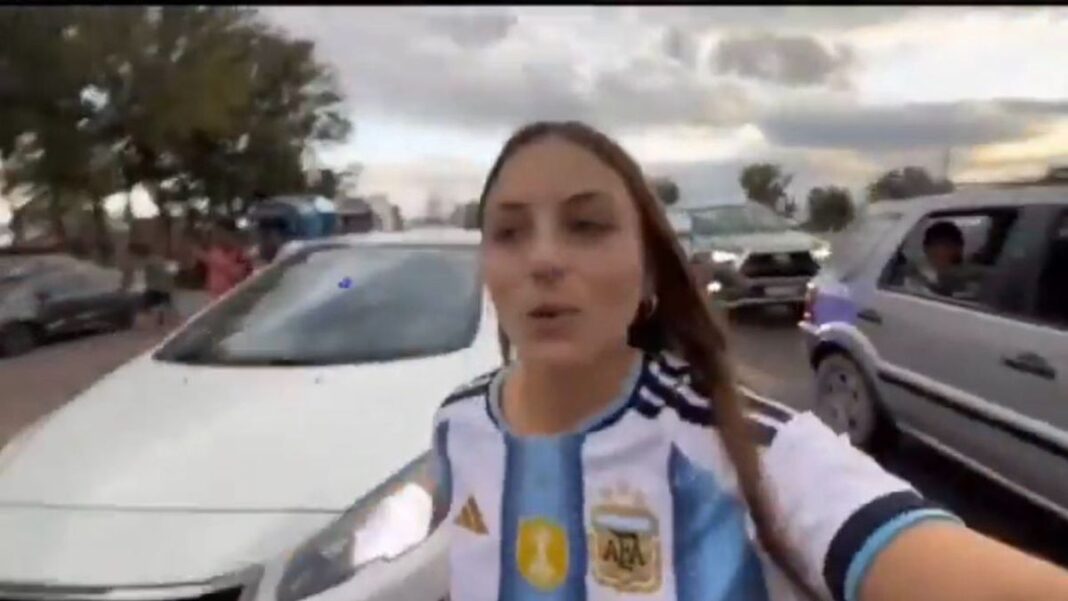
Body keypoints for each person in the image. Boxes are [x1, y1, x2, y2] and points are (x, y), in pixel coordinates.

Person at [427, 121, 1068, 601]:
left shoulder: (748, 451)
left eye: (587, 225)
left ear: (651, 269)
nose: (542, 260)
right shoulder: (458, 424)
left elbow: (913, 551)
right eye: (509, 232)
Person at [196, 218, 253, 299]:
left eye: (218, 233)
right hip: (216, 298)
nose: (214, 236)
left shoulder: (240, 253)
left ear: (227, 234)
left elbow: (240, 275)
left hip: (235, 297)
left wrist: (211, 260)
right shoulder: (214, 250)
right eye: (214, 233)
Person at [129, 242, 178, 328]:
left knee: (143, 307)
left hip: (155, 288)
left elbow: (140, 273)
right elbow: (173, 272)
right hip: (164, 288)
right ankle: (165, 321)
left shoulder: (148, 261)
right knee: (165, 305)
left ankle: (157, 322)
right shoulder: (159, 259)